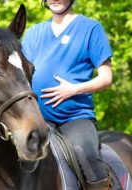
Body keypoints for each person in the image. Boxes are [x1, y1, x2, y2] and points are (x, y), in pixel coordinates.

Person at [21, 0, 113, 189]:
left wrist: (73, 89)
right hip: (37, 119)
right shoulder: (33, 33)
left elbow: (106, 78)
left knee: (87, 154)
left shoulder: (91, 28)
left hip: (75, 117)